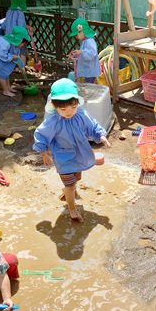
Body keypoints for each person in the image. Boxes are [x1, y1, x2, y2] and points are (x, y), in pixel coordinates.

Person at [33, 78, 111, 221]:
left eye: (72, 107)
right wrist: (43, 151)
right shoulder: (54, 121)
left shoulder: (80, 114)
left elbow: (92, 125)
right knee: (70, 185)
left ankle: (68, 190)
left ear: (77, 102)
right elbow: (41, 134)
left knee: (76, 179)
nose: (69, 112)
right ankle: (72, 208)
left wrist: (100, 135)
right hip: (64, 158)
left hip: (80, 154)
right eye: (63, 109)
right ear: (54, 106)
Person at [0, 26, 30, 97]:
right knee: (3, 74)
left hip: (1, 57)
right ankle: (5, 91)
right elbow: (2, 55)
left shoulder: (14, 44)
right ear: (19, 40)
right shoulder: (4, 43)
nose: (23, 45)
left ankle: (8, 88)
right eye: (23, 43)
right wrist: (12, 56)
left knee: (7, 72)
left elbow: (17, 57)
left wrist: (21, 65)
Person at [5, 0, 34, 66]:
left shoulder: (8, 12)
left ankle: (14, 67)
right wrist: (29, 27)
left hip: (10, 37)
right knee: (22, 52)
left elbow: (6, 24)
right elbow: (22, 25)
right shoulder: (20, 13)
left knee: (12, 52)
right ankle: (22, 67)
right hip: (19, 37)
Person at [70, 18, 101, 84]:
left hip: (90, 71)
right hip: (88, 70)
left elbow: (92, 53)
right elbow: (83, 53)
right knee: (87, 85)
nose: (76, 37)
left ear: (82, 32)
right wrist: (74, 55)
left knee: (89, 87)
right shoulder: (85, 41)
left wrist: (81, 52)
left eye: (76, 35)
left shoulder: (89, 41)